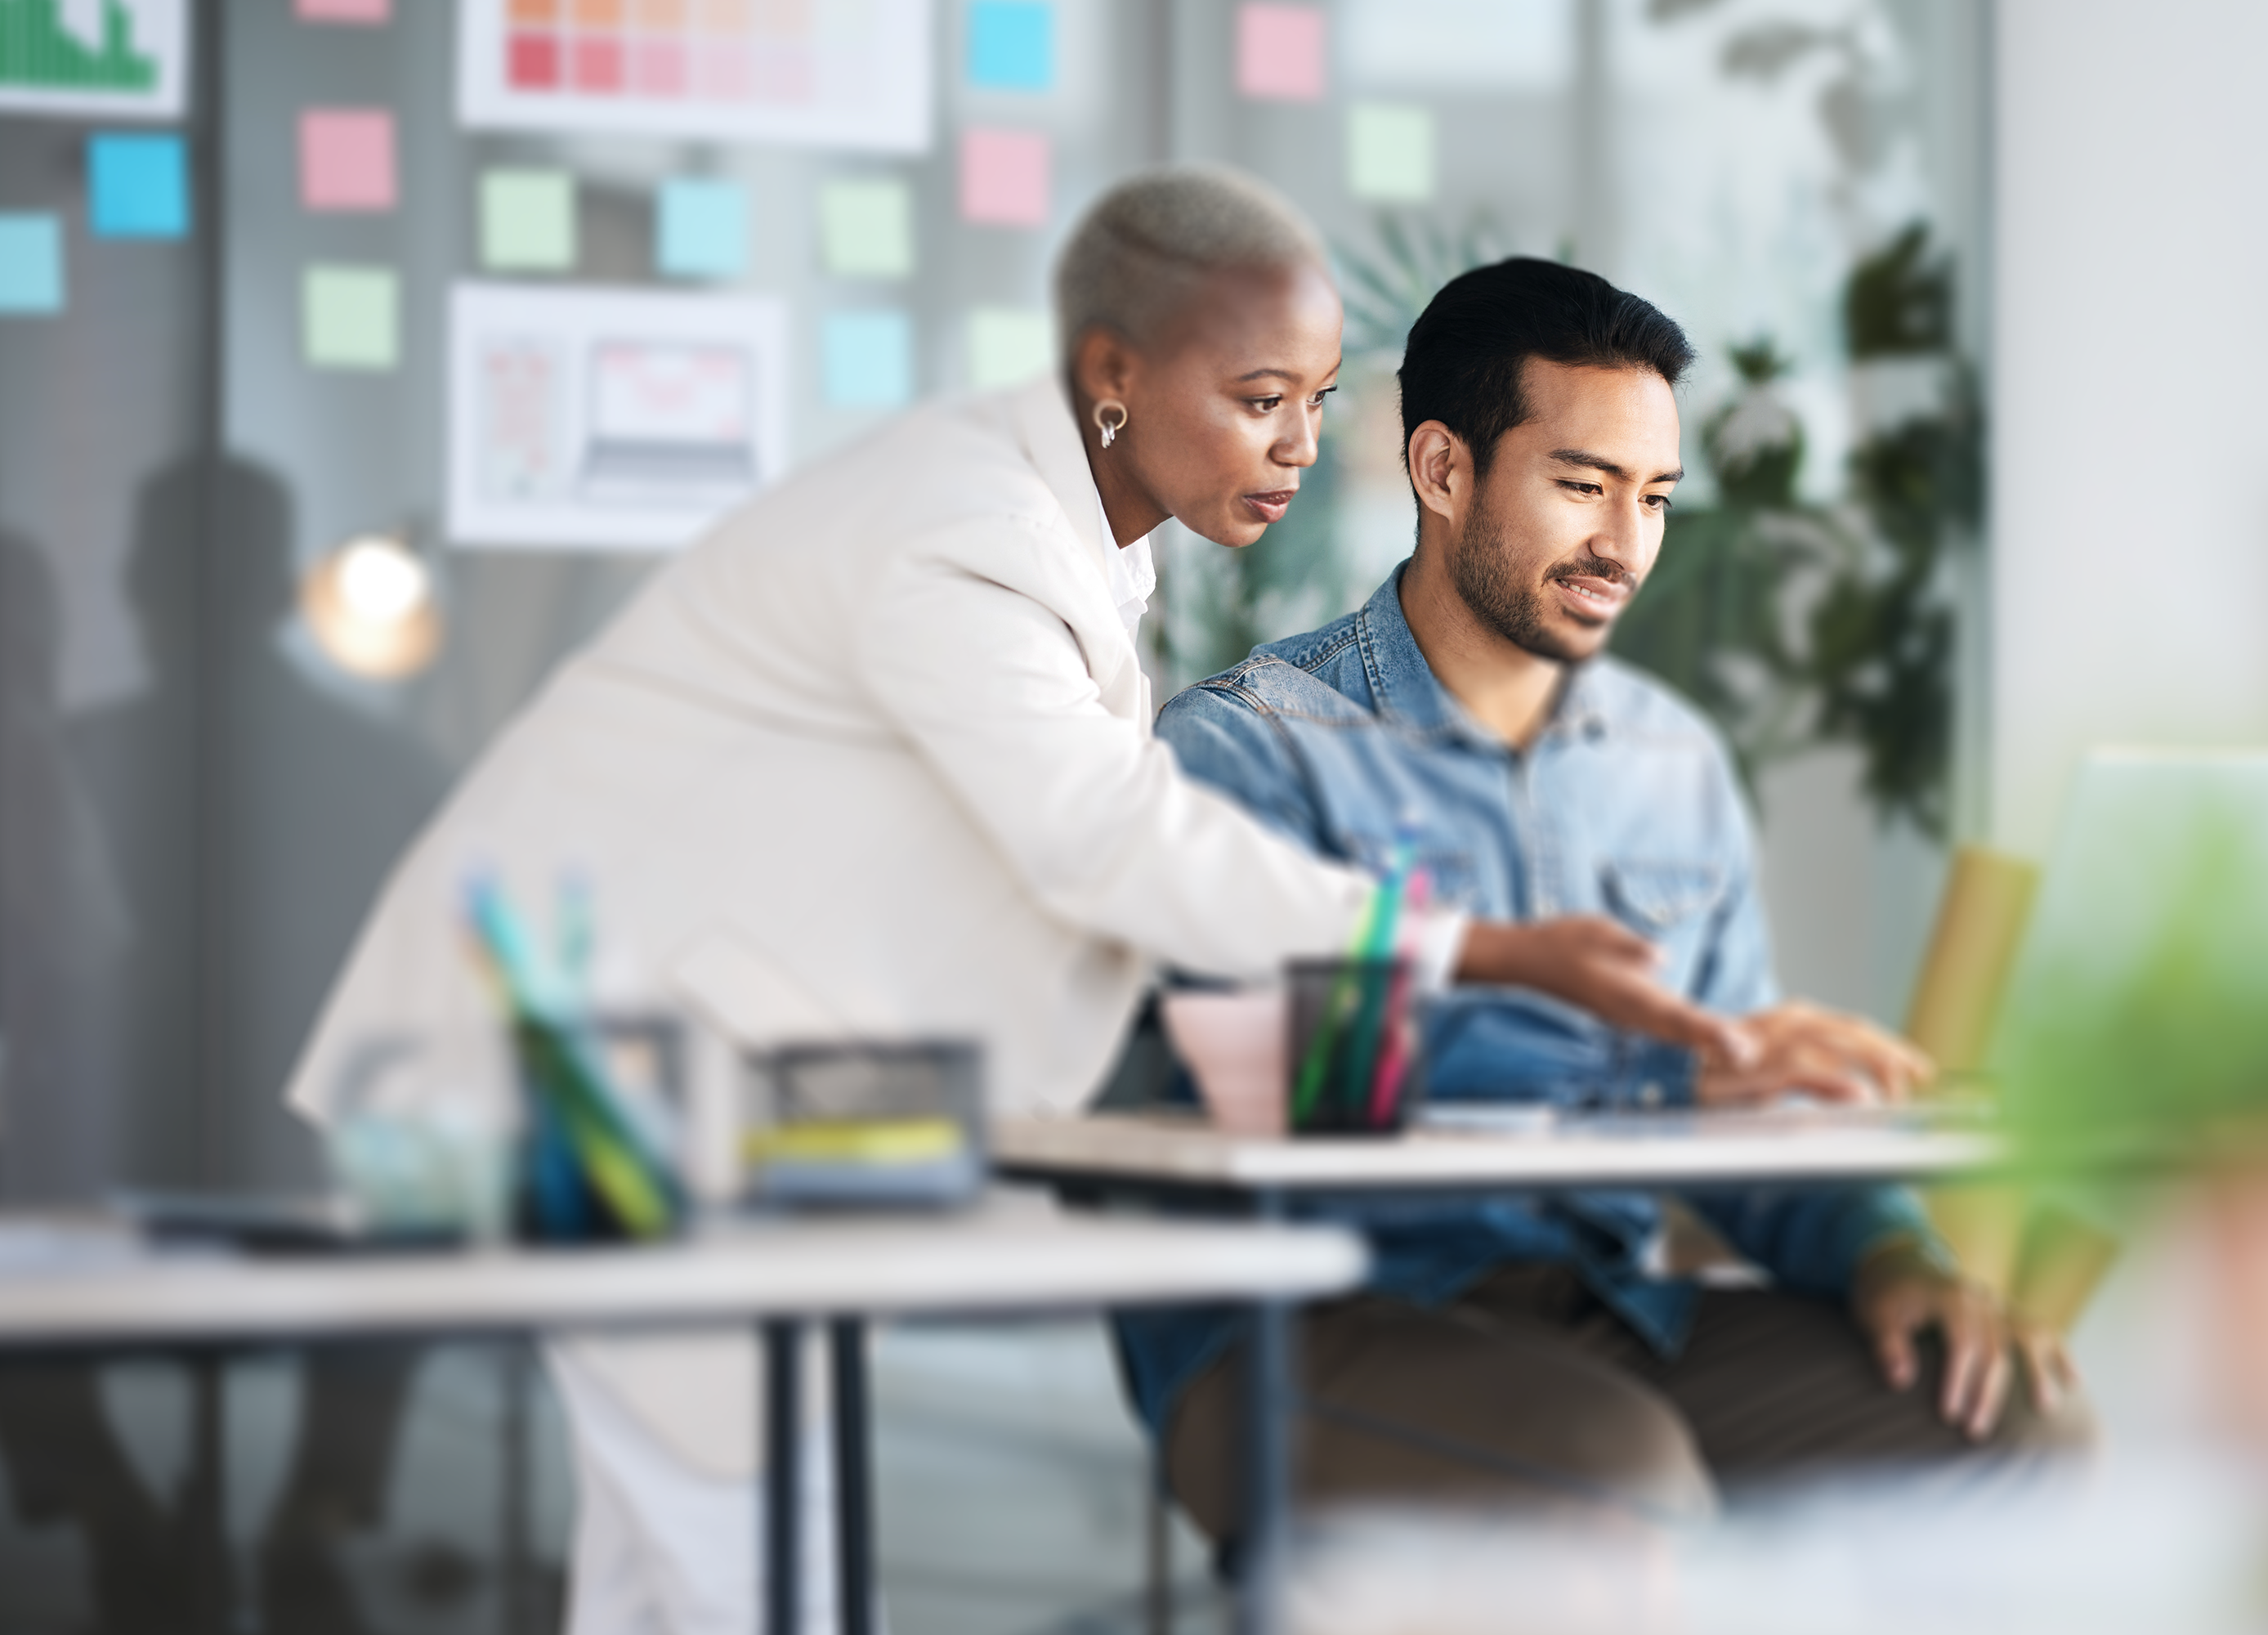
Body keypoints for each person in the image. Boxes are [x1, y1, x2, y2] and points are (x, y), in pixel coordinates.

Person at [288, 171, 1751, 1631]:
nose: (1302, 445)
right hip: (571, 1063)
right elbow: (1103, 841)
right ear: (1114, 376)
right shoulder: (970, 533)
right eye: (1257, 398)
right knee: (742, 1567)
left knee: (683, 1564)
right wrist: (1488, 951)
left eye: (1314, 399)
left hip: (658, 1057)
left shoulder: (1082, 546)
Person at [1121, 259, 2090, 1543]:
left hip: (1608, 1318)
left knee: (2016, 1423)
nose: (1624, 545)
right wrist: (1663, 1093)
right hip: (1309, 1328)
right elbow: (1311, 1117)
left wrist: (1890, 1254)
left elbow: (1748, 1096)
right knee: (1612, 1477)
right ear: (1443, 471)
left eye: (1655, 498)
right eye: (1582, 487)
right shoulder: (1248, 753)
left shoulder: (1671, 764)